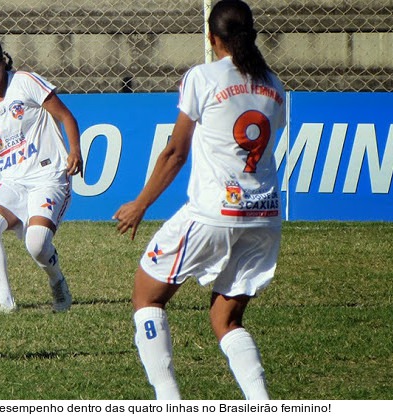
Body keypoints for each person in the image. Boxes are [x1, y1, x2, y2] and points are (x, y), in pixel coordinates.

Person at [113, 0, 286, 400]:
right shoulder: (275, 86)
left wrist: (141, 203)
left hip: (215, 211)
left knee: (146, 294)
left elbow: (176, 152)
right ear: (252, 36)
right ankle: (261, 403)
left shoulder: (203, 77)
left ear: (211, 38)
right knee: (226, 318)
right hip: (265, 215)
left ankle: (168, 400)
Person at [0, 36, 83, 316]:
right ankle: (3, 301)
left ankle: (57, 280)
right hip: (13, 179)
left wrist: (75, 150)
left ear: (2, 62)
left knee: (37, 244)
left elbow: (66, 116)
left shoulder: (25, 82)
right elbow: (12, 147)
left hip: (48, 175)